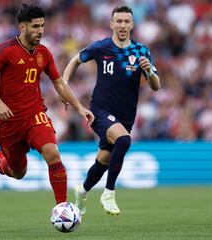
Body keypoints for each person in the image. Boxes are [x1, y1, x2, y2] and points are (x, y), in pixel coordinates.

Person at [0, 3, 94, 205]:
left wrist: (80, 107)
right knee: (18, 172)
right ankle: (1, 160)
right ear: (22, 28)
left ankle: (62, 208)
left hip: (35, 115)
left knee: (52, 153)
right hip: (9, 122)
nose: (40, 31)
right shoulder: (3, 51)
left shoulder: (44, 53)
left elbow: (59, 83)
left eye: (42, 26)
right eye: (35, 26)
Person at [63, 5, 161, 215]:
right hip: (99, 110)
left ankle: (82, 190)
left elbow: (155, 85)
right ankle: (109, 192)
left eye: (127, 21)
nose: (123, 25)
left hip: (126, 116)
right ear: (112, 24)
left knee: (103, 161)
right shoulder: (101, 47)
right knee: (124, 140)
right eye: (119, 21)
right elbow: (75, 60)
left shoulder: (141, 51)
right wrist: (64, 83)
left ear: (132, 24)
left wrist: (149, 71)